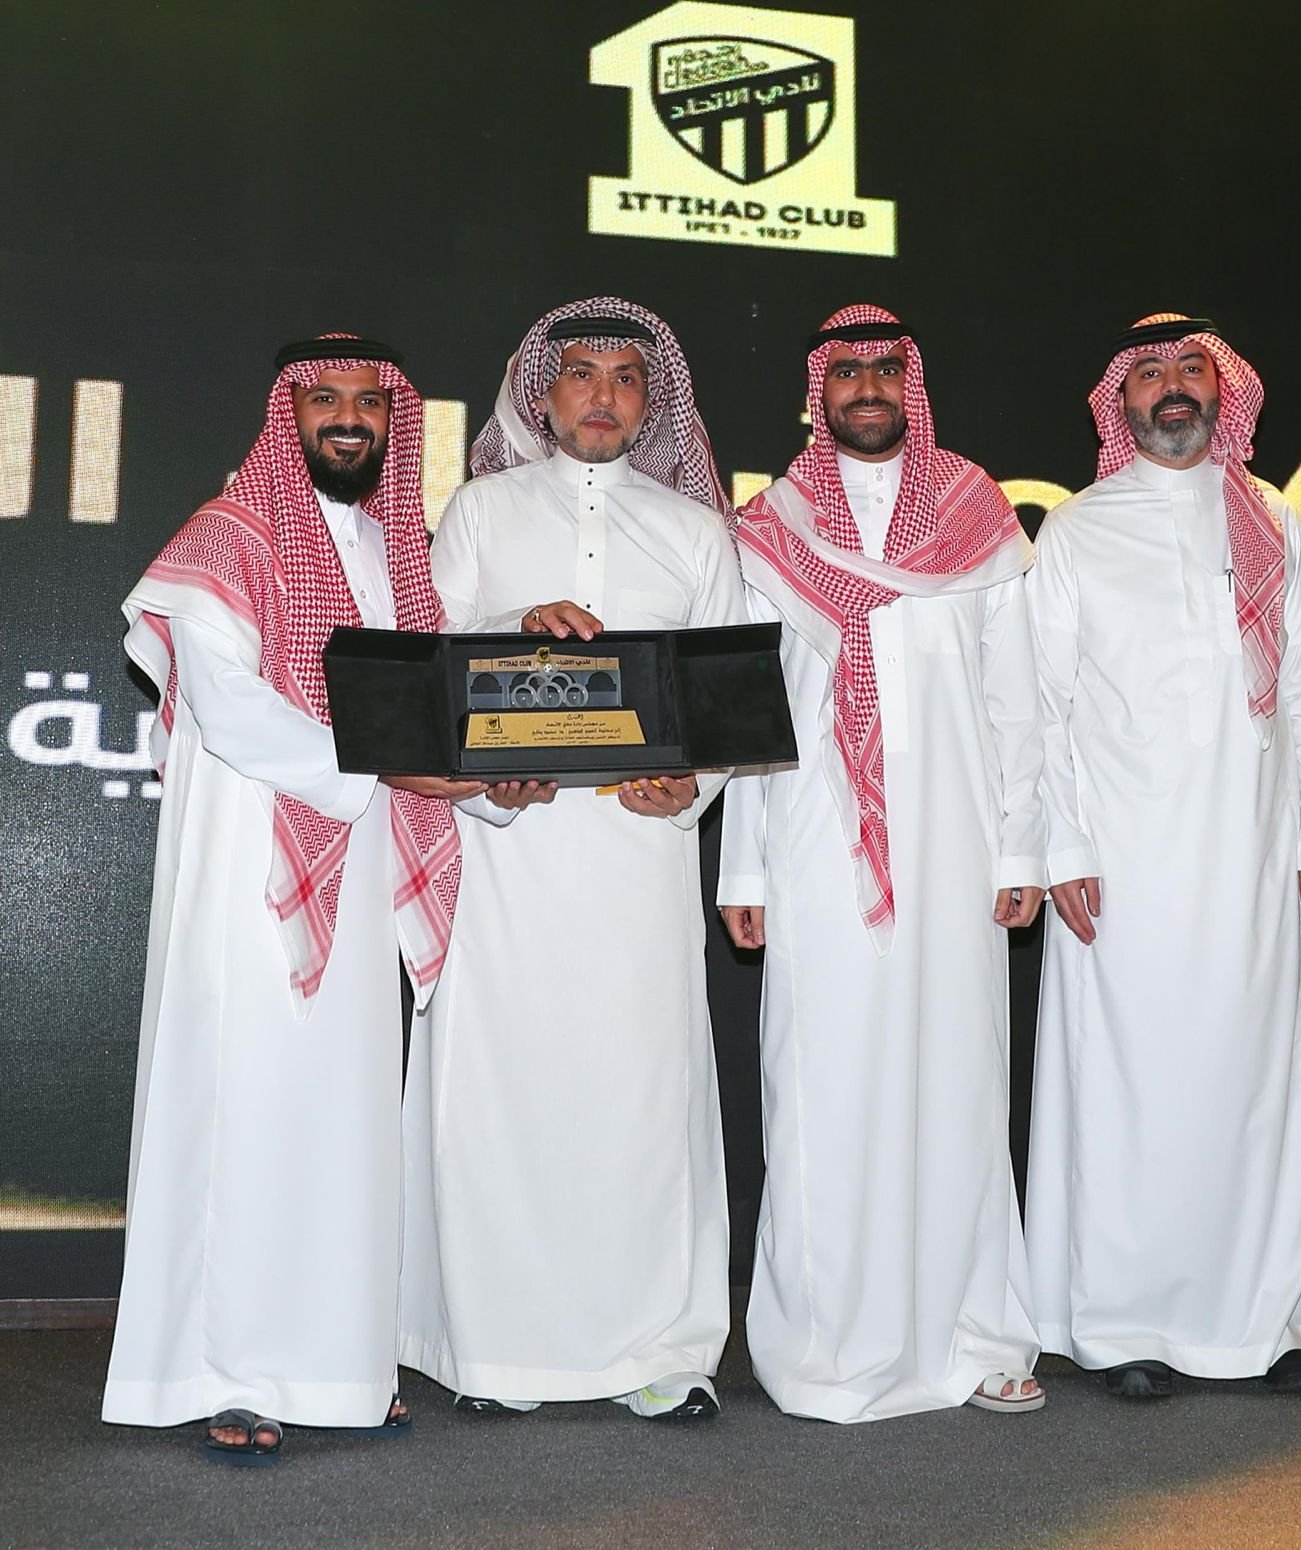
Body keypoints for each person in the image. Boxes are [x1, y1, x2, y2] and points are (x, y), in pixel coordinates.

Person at [102, 335, 494, 1465]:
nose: (349, 418)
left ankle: (338, 1366)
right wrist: (392, 766)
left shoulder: (396, 555)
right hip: (249, 869)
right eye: (325, 398)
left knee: (343, 1118)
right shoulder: (226, 537)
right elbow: (228, 707)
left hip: (355, 865)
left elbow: (428, 717)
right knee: (246, 1106)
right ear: (290, 413)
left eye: (369, 401)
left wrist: (489, 779)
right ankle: (225, 1369)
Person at [398, 297, 744, 1421]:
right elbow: (428, 677)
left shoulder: (696, 533)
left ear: (652, 403)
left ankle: (662, 1350)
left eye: (626, 378)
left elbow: (722, 705)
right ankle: (497, 1354)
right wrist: (511, 635)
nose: (603, 395)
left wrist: (692, 789)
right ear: (541, 395)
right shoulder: (480, 512)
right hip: (510, 856)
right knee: (504, 1092)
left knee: (642, 1099)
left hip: (638, 861)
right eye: (582, 374)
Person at [717, 304, 1047, 1423]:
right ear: (819, 389)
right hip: (816, 838)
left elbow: (1015, 699)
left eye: (885, 369)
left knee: (960, 1082)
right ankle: (829, 1349)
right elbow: (753, 708)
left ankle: (978, 1334)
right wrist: (745, 868)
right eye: (847, 370)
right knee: (826, 1083)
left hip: (959, 843)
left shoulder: (976, 512)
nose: (867, 385)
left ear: (912, 384)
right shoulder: (775, 527)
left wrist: (1021, 843)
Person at [1024, 313, 1301, 1399]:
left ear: (1224, 389)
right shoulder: (1077, 529)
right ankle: (1128, 1326)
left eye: (1191, 369)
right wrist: (1062, 842)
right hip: (1122, 863)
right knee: (1131, 1092)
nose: (1172, 388)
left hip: (1256, 854)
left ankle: (1274, 1323)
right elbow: (1042, 703)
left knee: (1262, 1089)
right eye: (1150, 374)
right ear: (1119, 401)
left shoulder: (1274, 521)